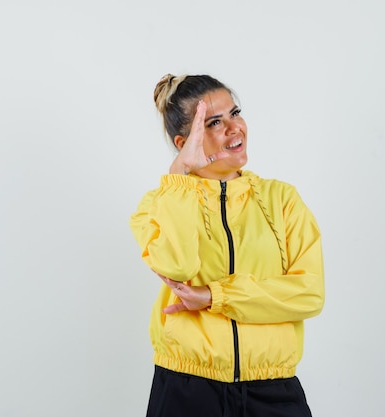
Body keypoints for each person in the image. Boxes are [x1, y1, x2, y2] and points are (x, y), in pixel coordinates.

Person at [129, 73, 325, 417]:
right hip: (187, 388)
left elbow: (309, 293)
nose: (234, 128)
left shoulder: (282, 200)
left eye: (235, 113)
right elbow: (178, 266)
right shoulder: (157, 205)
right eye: (214, 122)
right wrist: (179, 177)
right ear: (183, 142)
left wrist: (214, 297)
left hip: (273, 389)